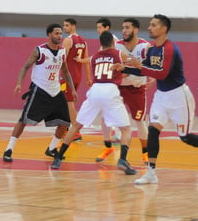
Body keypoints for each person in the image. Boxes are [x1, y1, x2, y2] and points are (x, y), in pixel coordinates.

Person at [119, 14, 198, 184]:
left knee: (184, 136)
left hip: (179, 96)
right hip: (161, 97)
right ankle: (151, 172)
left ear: (163, 28)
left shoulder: (170, 49)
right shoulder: (152, 49)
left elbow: (162, 74)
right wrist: (124, 68)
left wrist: (139, 66)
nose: (149, 27)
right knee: (153, 131)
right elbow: (144, 70)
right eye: (149, 24)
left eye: (153, 25)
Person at [51, 31, 136, 175]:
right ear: (113, 43)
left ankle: (58, 157)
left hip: (95, 90)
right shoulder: (119, 54)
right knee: (126, 129)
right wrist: (125, 72)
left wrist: (79, 59)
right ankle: (122, 160)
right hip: (110, 89)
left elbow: (86, 60)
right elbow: (131, 67)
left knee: (77, 125)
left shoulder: (95, 57)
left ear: (100, 43)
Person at [3, 23, 77, 162]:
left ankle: (52, 148)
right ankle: (9, 149)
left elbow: (66, 72)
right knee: (24, 120)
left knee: (65, 123)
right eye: (56, 33)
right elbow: (25, 67)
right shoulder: (40, 51)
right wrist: (19, 83)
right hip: (40, 90)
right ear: (49, 34)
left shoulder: (62, 52)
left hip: (55, 91)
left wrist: (72, 89)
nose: (59, 36)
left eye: (61, 34)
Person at [96, 18, 152, 164]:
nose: (124, 31)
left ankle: (145, 153)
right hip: (118, 88)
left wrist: (152, 77)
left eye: (127, 28)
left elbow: (149, 69)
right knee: (105, 116)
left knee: (140, 122)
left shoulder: (145, 47)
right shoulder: (117, 46)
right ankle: (107, 146)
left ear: (136, 30)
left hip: (136, 89)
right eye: (123, 28)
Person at [61, 18, 92, 142]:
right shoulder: (83, 41)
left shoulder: (68, 40)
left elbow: (62, 59)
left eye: (67, 25)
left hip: (68, 76)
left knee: (68, 102)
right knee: (67, 102)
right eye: (64, 25)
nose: (64, 28)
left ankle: (75, 131)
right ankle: (67, 128)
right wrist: (88, 78)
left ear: (73, 26)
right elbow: (86, 61)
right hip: (77, 76)